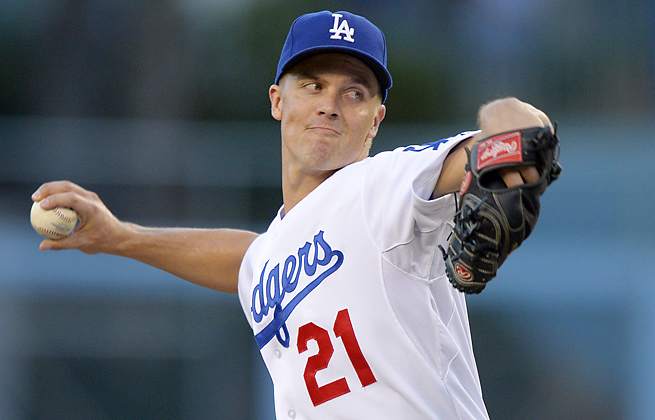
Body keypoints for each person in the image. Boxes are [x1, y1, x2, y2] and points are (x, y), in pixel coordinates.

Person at [32, 10, 555, 420]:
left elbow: (523, 129)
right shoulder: (275, 252)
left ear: (376, 120)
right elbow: (249, 260)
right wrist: (120, 236)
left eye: (354, 92)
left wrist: (511, 141)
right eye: (312, 85)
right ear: (277, 100)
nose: (330, 104)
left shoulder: (383, 186)